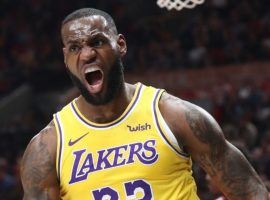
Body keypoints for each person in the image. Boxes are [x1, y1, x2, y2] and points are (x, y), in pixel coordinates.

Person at [20, 8, 269, 200]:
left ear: (120, 45)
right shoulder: (48, 146)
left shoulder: (173, 115)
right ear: (65, 58)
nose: (86, 54)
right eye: (75, 48)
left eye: (97, 42)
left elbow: (251, 192)